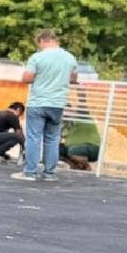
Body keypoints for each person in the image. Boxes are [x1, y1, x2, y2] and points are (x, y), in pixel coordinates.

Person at [12, 29, 78, 183]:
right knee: (52, 139)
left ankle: (30, 172)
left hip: (38, 102)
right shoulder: (70, 57)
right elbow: (73, 78)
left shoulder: (37, 57)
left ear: (43, 40)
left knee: (34, 138)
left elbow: (27, 78)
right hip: (58, 104)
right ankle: (50, 173)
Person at [59, 95, 102, 171]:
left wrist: (79, 88)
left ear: (71, 110)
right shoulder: (63, 124)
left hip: (90, 148)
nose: (64, 112)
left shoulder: (81, 116)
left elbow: (82, 100)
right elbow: (56, 139)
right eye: (62, 111)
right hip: (73, 149)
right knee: (55, 149)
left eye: (67, 109)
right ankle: (76, 166)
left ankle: (86, 166)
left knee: (75, 150)